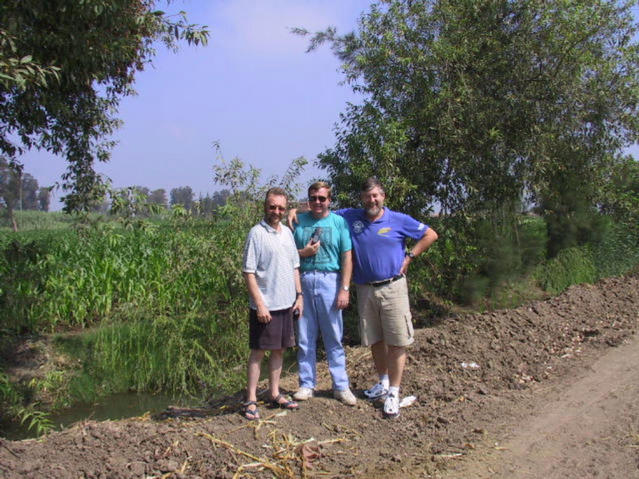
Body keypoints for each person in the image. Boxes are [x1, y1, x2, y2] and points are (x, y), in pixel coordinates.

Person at [290, 177, 438, 418]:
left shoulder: (396, 219)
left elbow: (431, 234)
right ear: (362, 199)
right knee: (375, 339)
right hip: (364, 289)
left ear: (383, 197)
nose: (372, 200)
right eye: (368, 196)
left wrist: (410, 256)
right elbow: (318, 211)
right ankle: (381, 382)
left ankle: (391, 392)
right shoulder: (350, 216)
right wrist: (296, 209)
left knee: (396, 340)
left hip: (391, 287)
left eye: (376, 196)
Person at [291, 181, 357, 406]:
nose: (317, 202)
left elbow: (347, 257)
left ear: (330, 200)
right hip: (304, 281)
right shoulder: (298, 221)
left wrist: (344, 288)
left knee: (334, 336)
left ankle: (340, 386)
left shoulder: (339, 223)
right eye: (313, 198)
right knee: (304, 336)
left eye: (322, 198)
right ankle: (306, 384)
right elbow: (288, 255)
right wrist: (303, 252)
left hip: (331, 281)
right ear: (308, 200)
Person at [241, 187, 303, 420]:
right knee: (258, 352)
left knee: (279, 350)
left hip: (286, 303)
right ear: (265, 206)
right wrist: (260, 304)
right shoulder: (256, 233)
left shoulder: (287, 232)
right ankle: (251, 399)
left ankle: (274, 393)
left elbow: (295, 267)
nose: (276, 211)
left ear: (285, 209)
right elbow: (248, 272)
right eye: (272, 207)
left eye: (280, 208)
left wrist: (299, 296)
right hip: (265, 306)